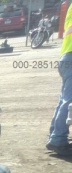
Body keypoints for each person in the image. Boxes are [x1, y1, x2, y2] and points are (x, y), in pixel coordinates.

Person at [47, 4, 72, 155]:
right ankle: (57, 139)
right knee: (68, 100)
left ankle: (54, 135)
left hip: (65, 57)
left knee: (64, 99)